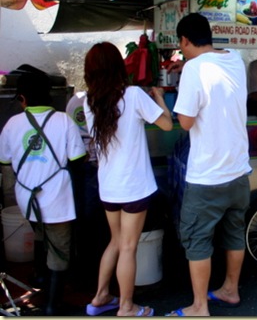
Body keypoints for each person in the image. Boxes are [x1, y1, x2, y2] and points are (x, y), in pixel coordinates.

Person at [166, 13, 252, 316]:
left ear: (185, 41)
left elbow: (186, 122)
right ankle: (230, 289)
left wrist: (181, 81)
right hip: (239, 172)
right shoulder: (235, 59)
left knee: (198, 240)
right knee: (233, 233)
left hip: (208, 178)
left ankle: (199, 306)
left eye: (181, 45)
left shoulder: (193, 69)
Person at [83, 42, 173, 317]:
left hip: (109, 186)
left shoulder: (89, 101)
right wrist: (158, 98)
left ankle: (100, 296)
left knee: (116, 241)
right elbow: (167, 124)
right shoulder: (133, 95)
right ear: (118, 66)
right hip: (134, 186)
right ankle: (126, 307)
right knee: (129, 246)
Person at [0, 69, 87, 315]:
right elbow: (77, 158)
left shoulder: (11, 125)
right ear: (49, 96)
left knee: (41, 236)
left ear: (22, 98)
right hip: (57, 198)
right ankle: (52, 306)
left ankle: (40, 280)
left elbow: (5, 162)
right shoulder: (63, 120)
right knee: (59, 247)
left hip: (27, 199)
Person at [66, 91, 108, 290]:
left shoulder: (77, 100)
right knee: (94, 222)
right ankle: (91, 275)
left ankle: (88, 273)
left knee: (87, 221)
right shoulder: (86, 100)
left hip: (85, 164)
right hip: (91, 164)